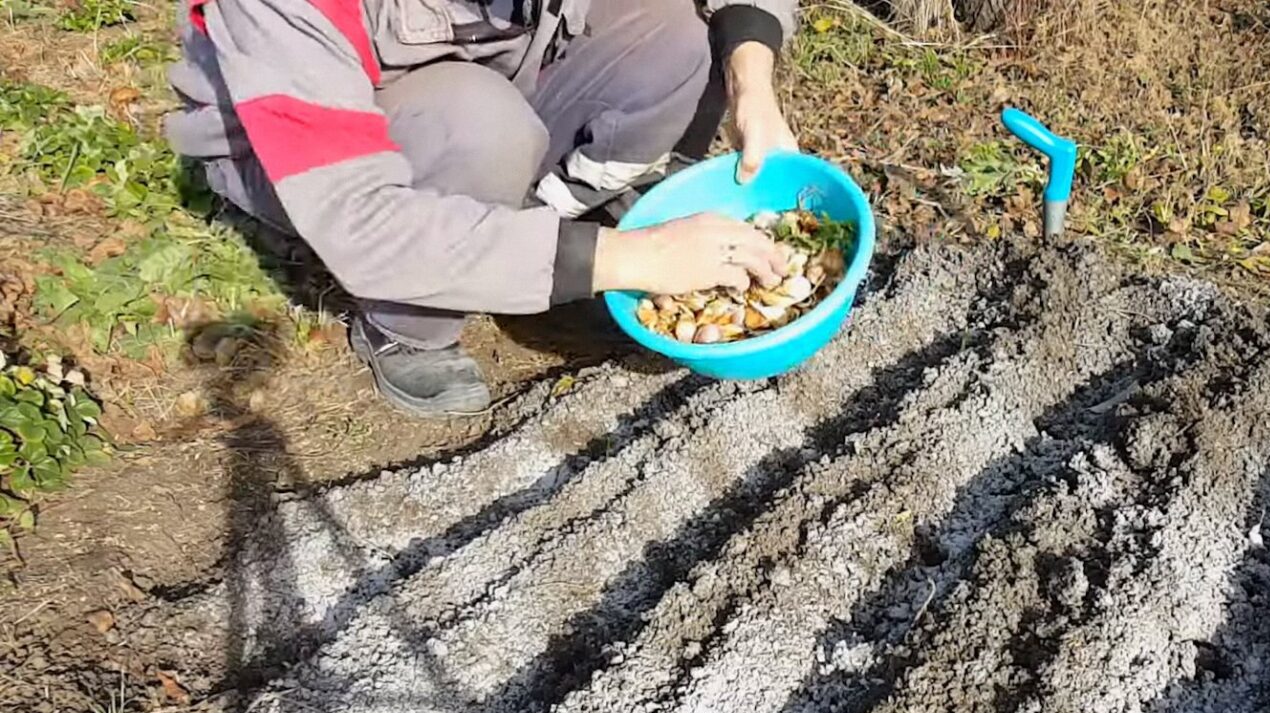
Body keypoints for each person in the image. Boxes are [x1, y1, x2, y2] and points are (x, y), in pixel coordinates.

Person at [166, 0, 799, 416]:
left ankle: (531, 225)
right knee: (479, 127)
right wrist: (630, 258)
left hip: (492, 69)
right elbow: (362, 220)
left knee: (678, 35)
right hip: (310, 146)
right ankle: (408, 330)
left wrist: (754, 82)